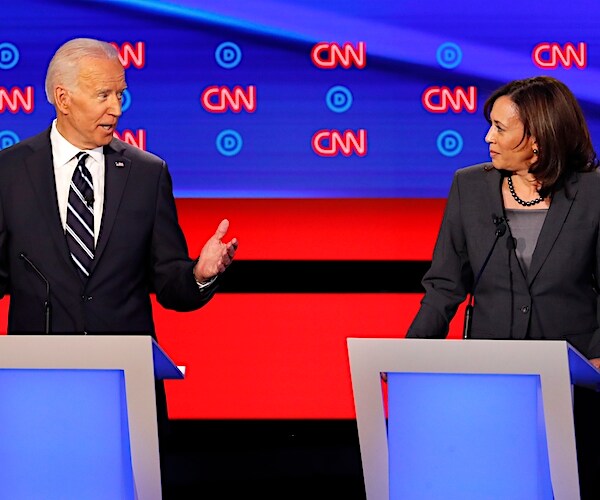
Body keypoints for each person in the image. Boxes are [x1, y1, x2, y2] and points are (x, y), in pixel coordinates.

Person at [0, 37, 238, 483]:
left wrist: (200, 274)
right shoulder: (8, 172)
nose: (117, 108)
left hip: (127, 391)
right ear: (63, 99)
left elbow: (169, 283)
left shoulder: (148, 174)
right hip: (37, 390)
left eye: (120, 94)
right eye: (103, 94)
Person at [406, 76, 600, 497]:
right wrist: (411, 355)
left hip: (577, 382)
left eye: (500, 127)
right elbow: (444, 285)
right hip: (493, 380)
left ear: (537, 139)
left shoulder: (593, 192)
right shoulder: (469, 187)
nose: (487, 137)